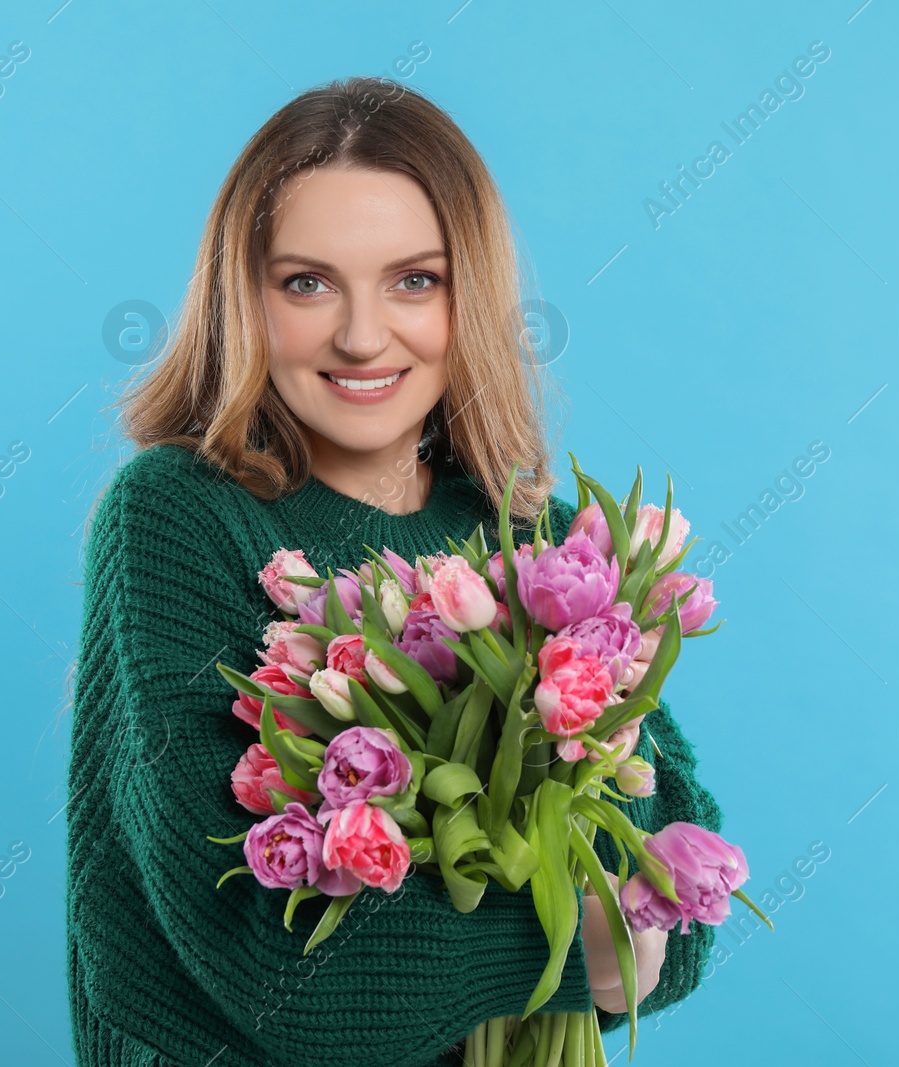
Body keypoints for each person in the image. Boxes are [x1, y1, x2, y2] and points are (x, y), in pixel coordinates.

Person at [65, 75, 725, 1067]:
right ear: (241, 297)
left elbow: (681, 860)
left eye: (414, 279)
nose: (362, 335)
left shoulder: (535, 538)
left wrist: (623, 928)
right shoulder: (177, 515)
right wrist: (584, 929)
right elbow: (297, 984)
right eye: (307, 282)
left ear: (473, 294)